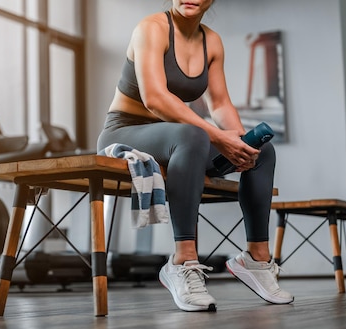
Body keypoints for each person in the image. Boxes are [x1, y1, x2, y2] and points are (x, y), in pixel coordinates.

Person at [96, 0, 293, 312]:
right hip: (126, 131)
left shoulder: (211, 41)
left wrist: (239, 142)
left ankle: (256, 259)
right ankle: (182, 261)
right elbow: (155, 99)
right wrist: (217, 137)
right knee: (193, 133)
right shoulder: (152, 28)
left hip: (179, 138)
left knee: (262, 150)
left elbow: (220, 103)